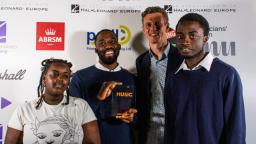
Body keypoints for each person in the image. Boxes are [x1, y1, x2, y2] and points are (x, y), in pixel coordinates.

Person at [164, 13, 246, 144]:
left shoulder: (226, 74)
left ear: (205, 39)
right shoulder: (173, 77)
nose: (185, 40)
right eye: (180, 36)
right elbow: (169, 126)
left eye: (192, 35)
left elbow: (236, 128)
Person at [5, 58, 100, 144]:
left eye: (65, 76)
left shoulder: (81, 106)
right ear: (44, 79)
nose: (60, 79)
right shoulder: (24, 109)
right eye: (55, 75)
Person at [69, 29, 137, 144]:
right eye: (102, 43)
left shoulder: (131, 78)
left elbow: (140, 114)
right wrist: (99, 98)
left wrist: (134, 117)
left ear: (119, 46)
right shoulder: (80, 77)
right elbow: (73, 117)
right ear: (95, 49)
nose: (108, 46)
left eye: (112, 41)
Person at [135, 6, 183, 144]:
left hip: (177, 131)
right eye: (148, 25)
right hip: (150, 133)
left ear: (166, 27)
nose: (153, 28)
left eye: (158, 24)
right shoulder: (141, 61)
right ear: (144, 29)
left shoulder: (182, 58)